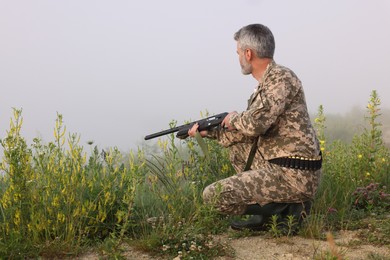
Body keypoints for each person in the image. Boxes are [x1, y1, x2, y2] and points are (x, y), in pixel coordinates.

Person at [187, 24, 322, 232]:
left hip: (294, 174)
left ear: (248, 53)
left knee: (213, 196)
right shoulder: (266, 83)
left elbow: (256, 124)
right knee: (237, 149)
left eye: (238, 52)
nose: (238, 57)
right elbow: (247, 132)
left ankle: (294, 209)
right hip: (280, 164)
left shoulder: (281, 77)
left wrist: (233, 118)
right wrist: (208, 132)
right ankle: (267, 218)